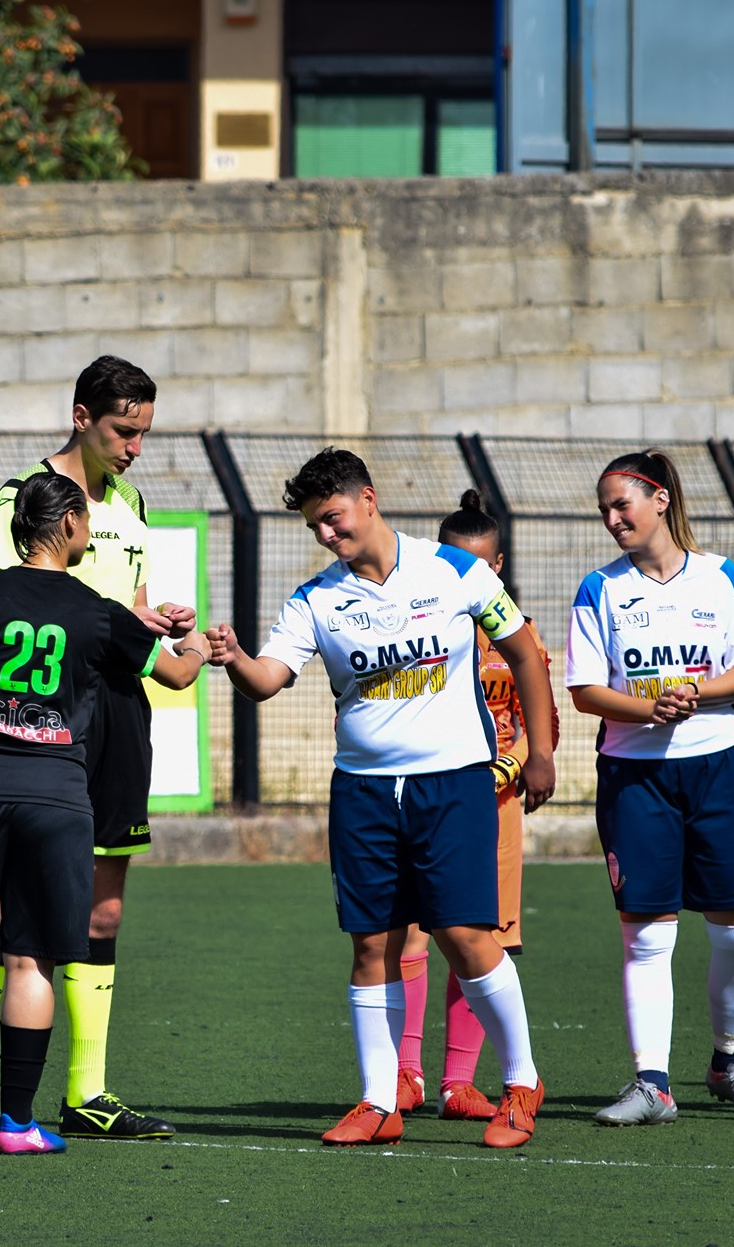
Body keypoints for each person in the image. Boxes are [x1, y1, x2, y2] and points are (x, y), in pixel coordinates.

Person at [208, 448, 556, 1151]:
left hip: (454, 780)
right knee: (372, 943)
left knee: (464, 935)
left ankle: (522, 1081)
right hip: (364, 792)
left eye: (332, 518)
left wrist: (543, 749)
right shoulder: (317, 598)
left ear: (367, 499)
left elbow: (523, 651)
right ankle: (378, 1099)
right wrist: (236, 658)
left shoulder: (453, 570)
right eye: (314, 527)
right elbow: (270, 677)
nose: (326, 535)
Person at [0, 474, 208, 1154]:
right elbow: (177, 673)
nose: (90, 527)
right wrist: (203, 644)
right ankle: (16, 1123)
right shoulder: (96, 610)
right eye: (85, 518)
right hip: (54, 802)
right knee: (30, 959)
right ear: (64, 524)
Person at [0, 354, 195, 1143]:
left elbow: (133, 606)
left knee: (103, 900)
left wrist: (158, 627)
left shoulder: (133, 499)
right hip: (48, 716)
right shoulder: (23, 497)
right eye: (124, 430)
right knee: (9, 906)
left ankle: (89, 1090)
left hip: (120, 704)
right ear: (81, 416)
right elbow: (2, 608)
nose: (134, 447)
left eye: (145, 432)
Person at [568, 449, 734, 1126]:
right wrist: (646, 708)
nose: (611, 519)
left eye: (621, 504)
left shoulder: (722, 577)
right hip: (635, 776)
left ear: (660, 499)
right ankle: (652, 1084)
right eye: (604, 508)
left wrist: (697, 695)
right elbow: (583, 689)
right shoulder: (598, 589)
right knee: (647, 937)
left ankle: (729, 1062)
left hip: (718, 767)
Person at [393, 491, 557, 1122]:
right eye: (458, 562)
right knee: (406, 930)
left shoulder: (518, 633)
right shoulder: (415, 622)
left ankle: (458, 1084)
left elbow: (529, 714)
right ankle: (405, 1074)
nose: (472, 576)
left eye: (484, 566)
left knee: (481, 936)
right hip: (427, 795)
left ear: (501, 565)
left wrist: (515, 764)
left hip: (495, 803)